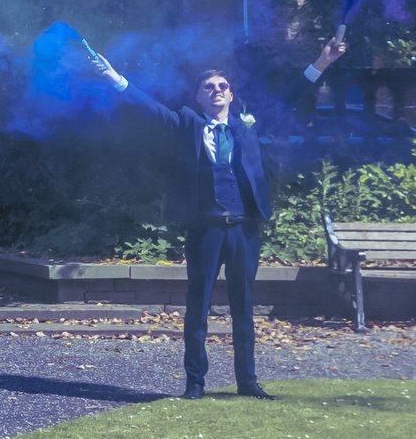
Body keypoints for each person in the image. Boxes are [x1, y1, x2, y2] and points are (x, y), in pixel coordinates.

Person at [85, 34, 349, 400]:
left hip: (244, 230)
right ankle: (195, 384)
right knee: (198, 308)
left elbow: (289, 98)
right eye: (208, 87)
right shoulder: (188, 123)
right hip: (205, 230)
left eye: (223, 86)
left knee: (244, 308)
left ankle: (248, 382)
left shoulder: (247, 124)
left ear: (231, 95)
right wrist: (114, 76)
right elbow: (149, 108)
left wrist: (322, 61)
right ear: (198, 97)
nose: (216, 90)